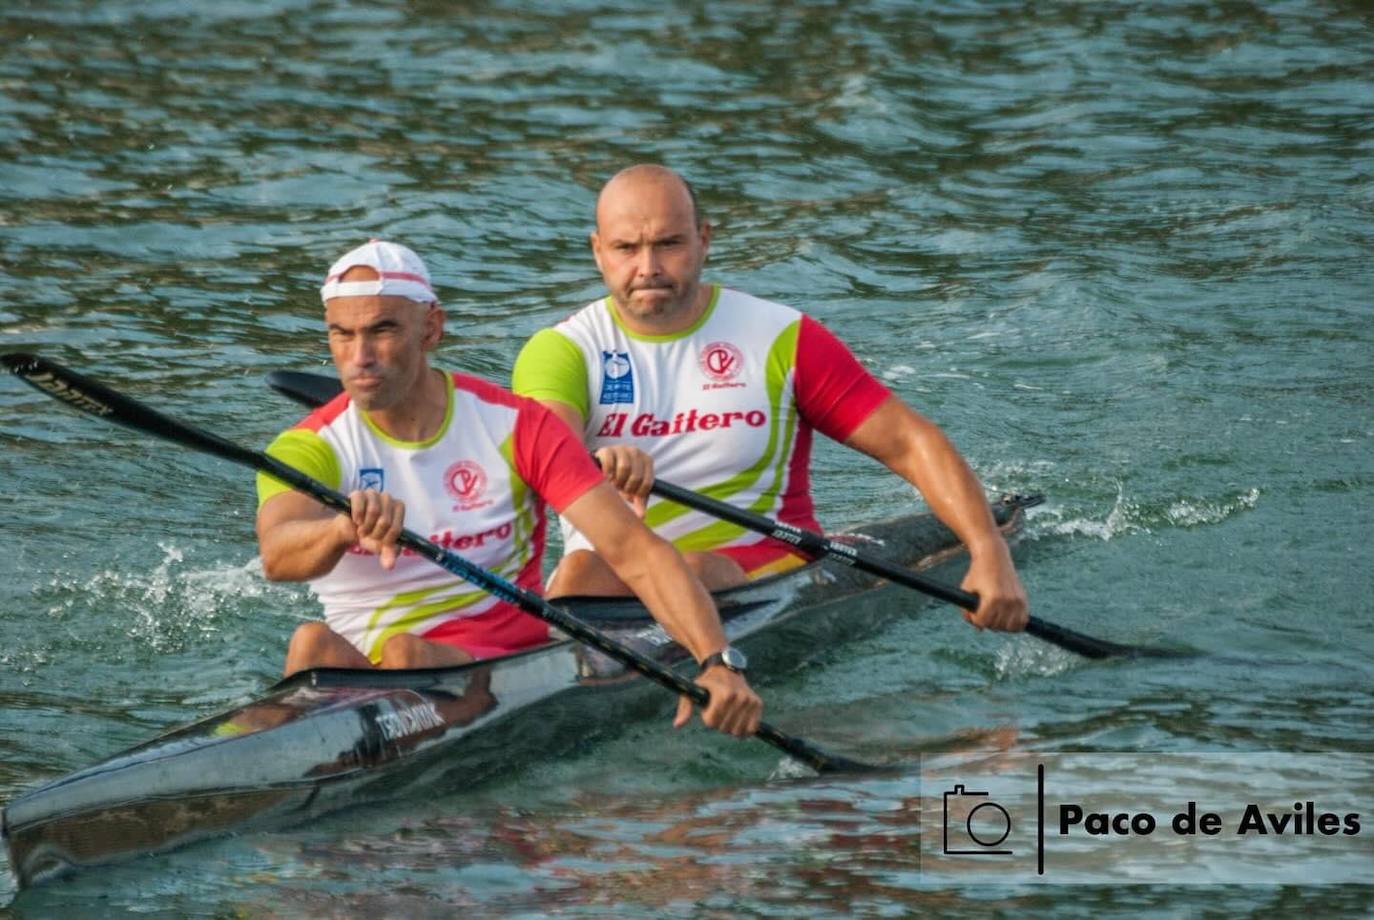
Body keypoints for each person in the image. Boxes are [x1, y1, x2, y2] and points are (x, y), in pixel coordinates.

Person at [255, 239, 762, 737]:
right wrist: (341, 529)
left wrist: (717, 660)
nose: (359, 357)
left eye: (382, 330)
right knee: (311, 645)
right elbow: (279, 555)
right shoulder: (309, 448)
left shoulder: (516, 427)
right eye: (341, 335)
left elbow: (635, 551)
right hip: (357, 670)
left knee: (407, 652)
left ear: (432, 328)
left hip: (497, 666)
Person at [511, 164, 1029, 632]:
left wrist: (988, 551)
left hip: (758, 562)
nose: (648, 267)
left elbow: (909, 443)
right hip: (608, 580)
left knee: (693, 568)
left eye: (668, 244)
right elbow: (547, 456)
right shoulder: (561, 351)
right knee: (579, 569)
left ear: (704, 239)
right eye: (626, 248)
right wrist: (596, 462)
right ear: (598, 250)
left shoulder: (779, 337)